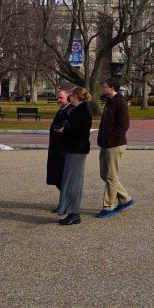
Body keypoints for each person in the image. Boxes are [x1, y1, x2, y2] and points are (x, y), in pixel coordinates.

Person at [95, 78, 134, 218]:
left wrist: (112, 138)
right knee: (104, 174)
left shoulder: (120, 103)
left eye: (105, 87)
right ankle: (125, 198)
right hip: (105, 143)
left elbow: (124, 125)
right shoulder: (109, 102)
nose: (103, 89)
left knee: (111, 176)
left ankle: (108, 206)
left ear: (112, 88)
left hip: (115, 144)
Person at [57, 87, 93, 226]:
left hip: (77, 150)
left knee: (73, 181)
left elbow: (82, 132)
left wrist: (65, 130)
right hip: (72, 149)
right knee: (69, 180)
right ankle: (71, 211)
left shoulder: (83, 111)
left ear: (76, 97)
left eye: (71, 95)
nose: (69, 98)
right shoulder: (76, 109)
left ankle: (74, 213)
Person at [46, 89, 72, 202]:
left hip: (63, 149)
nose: (58, 100)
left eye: (61, 98)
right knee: (56, 178)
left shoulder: (70, 110)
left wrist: (63, 129)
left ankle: (66, 201)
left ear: (68, 98)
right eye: (58, 98)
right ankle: (64, 200)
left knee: (61, 177)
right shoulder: (61, 110)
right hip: (56, 148)